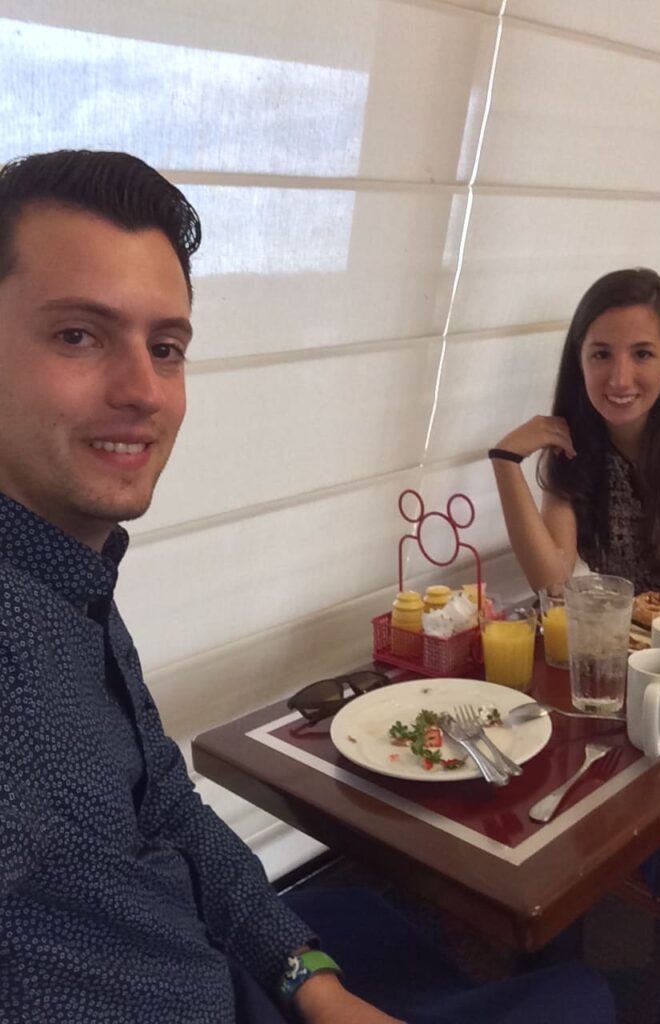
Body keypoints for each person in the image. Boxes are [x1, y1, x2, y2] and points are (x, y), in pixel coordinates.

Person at [0, 149, 616, 1024]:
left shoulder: (74, 579)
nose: (143, 390)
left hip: (215, 958)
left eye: (166, 347)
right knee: (580, 998)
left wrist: (309, 983)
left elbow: (170, 811)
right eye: (77, 335)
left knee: (362, 919)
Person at [490, 267, 660, 1023]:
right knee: (563, 813)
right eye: (601, 354)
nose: (620, 377)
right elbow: (550, 575)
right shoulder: (580, 453)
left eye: (641, 353)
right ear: (578, 361)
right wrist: (505, 463)